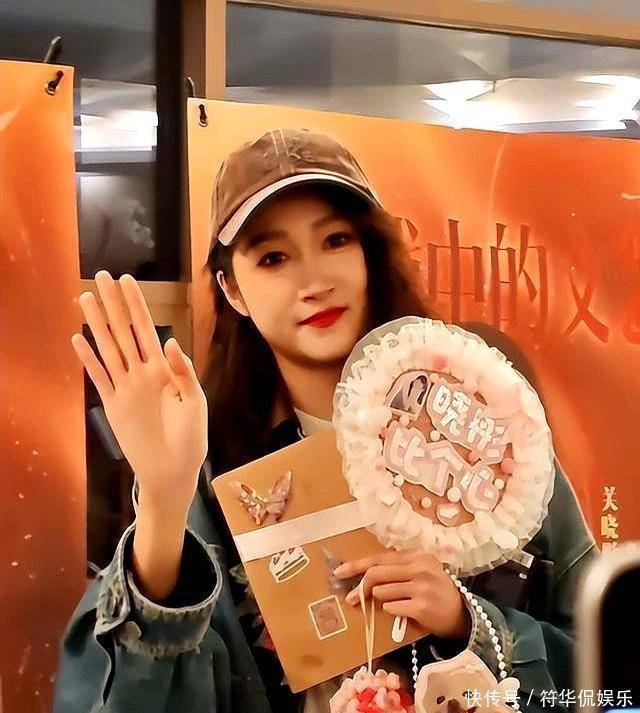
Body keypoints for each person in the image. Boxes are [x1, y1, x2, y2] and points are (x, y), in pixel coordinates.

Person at [53, 128, 597, 713]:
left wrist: (469, 623)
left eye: (336, 240)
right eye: (274, 258)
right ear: (232, 289)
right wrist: (163, 505)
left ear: (371, 254)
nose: (314, 282)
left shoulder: (483, 428)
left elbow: (609, 677)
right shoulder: (212, 468)